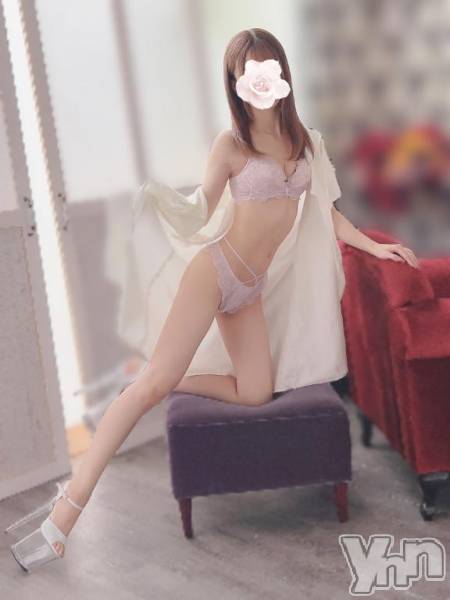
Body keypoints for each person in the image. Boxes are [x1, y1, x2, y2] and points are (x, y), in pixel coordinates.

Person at [6, 27, 419, 572]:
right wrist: (163, 204)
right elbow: (201, 208)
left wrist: (374, 247)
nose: (259, 81)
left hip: (250, 289)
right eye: (247, 73)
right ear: (236, 82)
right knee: (149, 389)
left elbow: (327, 211)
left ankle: (161, 376)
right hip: (215, 272)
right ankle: (65, 515)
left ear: (281, 72)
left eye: (267, 68)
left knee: (255, 392)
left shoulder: (306, 142)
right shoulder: (231, 146)